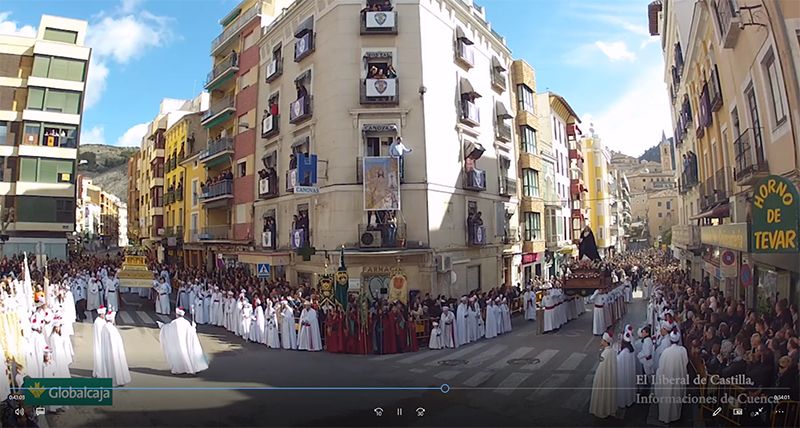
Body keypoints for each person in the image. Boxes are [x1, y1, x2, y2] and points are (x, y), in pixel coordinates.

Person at [158, 307, 209, 375]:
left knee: (179, 355)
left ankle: (180, 369)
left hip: (178, 343)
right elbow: (191, 332)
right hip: (185, 343)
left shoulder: (174, 322)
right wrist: (193, 327)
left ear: (177, 314)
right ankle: (189, 368)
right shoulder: (186, 322)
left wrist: (162, 326)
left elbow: (167, 329)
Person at [655, 330, 688, 424]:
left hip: (667, 379)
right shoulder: (683, 351)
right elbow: (685, 363)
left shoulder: (666, 352)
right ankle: (675, 416)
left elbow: (661, 367)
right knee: (676, 397)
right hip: (678, 378)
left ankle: (665, 416)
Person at [590, 333, 617, 418]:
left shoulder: (605, 353)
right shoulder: (612, 351)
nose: (601, 341)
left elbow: (602, 368)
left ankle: (601, 410)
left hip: (603, 377)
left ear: (606, 342)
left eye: (602, 340)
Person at [101, 311, 131, 386]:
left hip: (107, 351)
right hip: (114, 351)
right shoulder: (111, 329)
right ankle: (118, 380)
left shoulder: (105, 327)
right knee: (116, 365)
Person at [617, 329, 637, 408]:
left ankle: (624, 401)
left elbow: (618, 362)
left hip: (624, 373)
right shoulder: (631, 349)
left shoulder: (624, 353)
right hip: (630, 372)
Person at [92, 306, 107, 378]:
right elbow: (99, 333)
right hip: (100, 342)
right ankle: (99, 372)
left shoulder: (102, 320)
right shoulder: (97, 322)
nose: (104, 315)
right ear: (101, 314)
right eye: (104, 314)